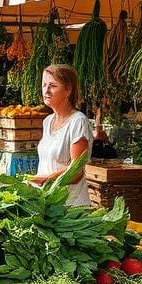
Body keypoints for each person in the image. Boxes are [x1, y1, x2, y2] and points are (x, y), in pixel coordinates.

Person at [28, 64, 94, 205]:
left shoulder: (78, 122)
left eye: (52, 85)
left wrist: (43, 179)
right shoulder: (47, 121)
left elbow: (76, 172)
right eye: (44, 85)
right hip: (48, 202)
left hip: (70, 207)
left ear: (68, 90)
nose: (46, 90)